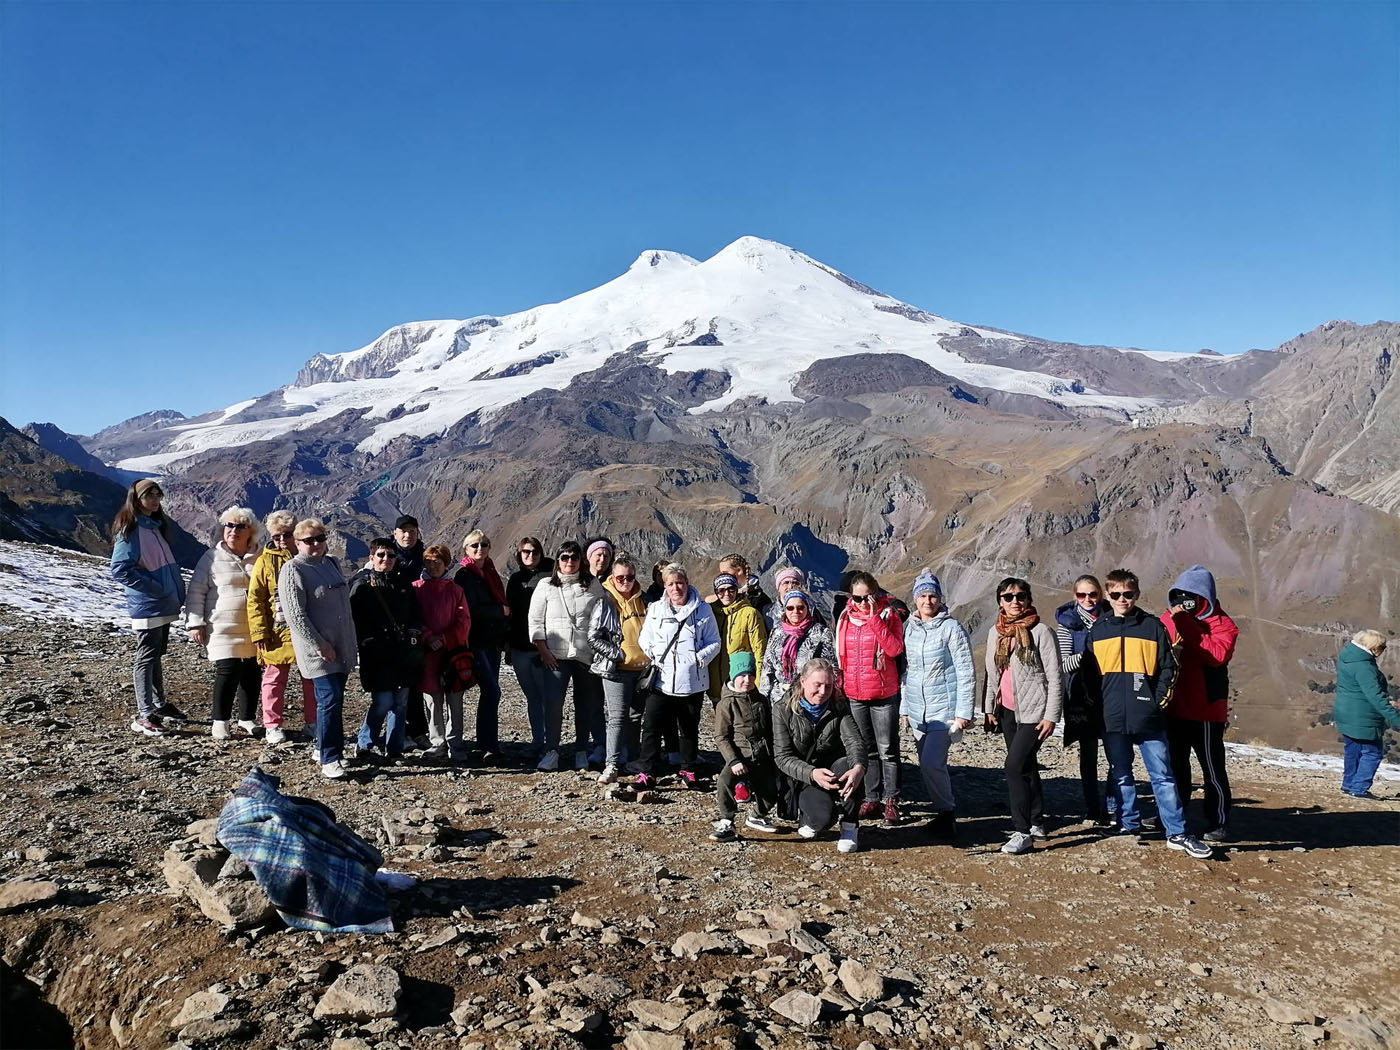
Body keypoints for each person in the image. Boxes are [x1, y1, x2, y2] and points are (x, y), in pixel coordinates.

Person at [1080, 569, 1214, 860]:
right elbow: (1089, 675)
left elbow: (1169, 668)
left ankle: (1176, 833)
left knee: (1163, 776)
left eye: (1128, 594)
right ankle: (1127, 826)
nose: (1122, 599)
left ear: (1136, 594)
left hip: (1149, 718)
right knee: (1121, 774)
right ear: (1108, 596)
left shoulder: (1153, 627)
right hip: (1113, 718)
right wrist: (1098, 707)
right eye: (1115, 595)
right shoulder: (1099, 629)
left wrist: (1158, 702)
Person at [979, 578, 1063, 855]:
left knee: (1013, 766)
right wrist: (989, 709)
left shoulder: (1041, 632)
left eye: (1021, 596)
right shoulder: (996, 633)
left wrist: (1051, 715)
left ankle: (1021, 830)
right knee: (1026, 765)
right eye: (1008, 597)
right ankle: (1037, 820)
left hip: (1034, 713)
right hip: (1008, 712)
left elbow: (1054, 676)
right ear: (1000, 601)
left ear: (1029, 599)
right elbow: (994, 673)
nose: (1015, 601)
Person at [1161, 566, 1240, 840]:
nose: (1184, 602)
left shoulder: (1223, 625)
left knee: (1212, 769)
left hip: (1206, 711)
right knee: (1175, 768)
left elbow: (1216, 655)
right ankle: (1173, 816)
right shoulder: (1170, 619)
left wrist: (1186, 625)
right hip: (1174, 707)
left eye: (1191, 596)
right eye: (1179, 596)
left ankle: (1218, 821)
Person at [279, 519, 357, 779]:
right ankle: (330, 757)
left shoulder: (332, 563)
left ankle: (322, 747)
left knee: (335, 699)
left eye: (320, 538)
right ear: (298, 543)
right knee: (329, 699)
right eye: (309, 540)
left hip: (341, 646)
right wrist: (319, 644)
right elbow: (296, 616)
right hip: (319, 651)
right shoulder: (293, 570)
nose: (316, 544)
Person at [899, 570, 974, 840]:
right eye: (922, 596)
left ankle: (947, 813)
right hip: (918, 711)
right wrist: (904, 709)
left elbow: (966, 670)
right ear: (915, 599)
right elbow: (906, 671)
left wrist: (964, 712)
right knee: (926, 763)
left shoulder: (952, 629)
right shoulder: (910, 629)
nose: (928, 601)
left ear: (940, 599)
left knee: (932, 763)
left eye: (932, 596)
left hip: (944, 711)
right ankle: (943, 814)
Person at [111, 479, 188, 737]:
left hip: (162, 603)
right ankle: (145, 714)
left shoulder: (154, 526)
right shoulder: (130, 529)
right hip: (149, 605)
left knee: (156, 653)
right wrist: (156, 589)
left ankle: (158, 703)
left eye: (157, 495)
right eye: (148, 495)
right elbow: (121, 569)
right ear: (136, 498)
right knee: (146, 656)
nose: (154, 500)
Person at [636, 563, 721, 789]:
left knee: (689, 727)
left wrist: (697, 658)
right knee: (652, 726)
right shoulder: (655, 609)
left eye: (680, 583)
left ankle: (688, 770)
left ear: (687, 584)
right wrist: (654, 653)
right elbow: (645, 638)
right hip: (661, 680)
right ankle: (647, 772)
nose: (676, 588)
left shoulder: (702, 610)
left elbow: (715, 641)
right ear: (665, 586)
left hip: (691, 681)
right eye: (671, 584)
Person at [772, 657, 867, 853]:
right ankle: (809, 816)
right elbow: (782, 757)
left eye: (829, 686)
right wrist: (812, 773)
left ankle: (850, 826)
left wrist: (859, 767)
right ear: (803, 681)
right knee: (822, 819)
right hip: (805, 775)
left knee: (853, 766)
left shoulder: (839, 705)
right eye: (817, 685)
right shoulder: (782, 709)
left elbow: (855, 741)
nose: (823, 692)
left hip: (834, 768)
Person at [527, 540, 606, 771]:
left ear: (581, 561)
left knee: (585, 705)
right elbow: (535, 620)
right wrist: (543, 651)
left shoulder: (592, 585)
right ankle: (552, 750)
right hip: (555, 656)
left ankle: (581, 750)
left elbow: (602, 617)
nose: (569, 562)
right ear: (558, 561)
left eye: (574, 557)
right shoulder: (545, 585)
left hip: (585, 656)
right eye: (564, 557)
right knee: (553, 704)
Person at [836, 571, 906, 828]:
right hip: (855, 693)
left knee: (888, 749)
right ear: (851, 597)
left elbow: (894, 649)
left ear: (877, 595)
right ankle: (872, 797)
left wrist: (875, 619)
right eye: (858, 597)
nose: (863, 603)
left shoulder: (889, 616)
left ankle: (892, 800)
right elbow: (841, 654)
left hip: (883, 692)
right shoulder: (845, 618)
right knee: (867, 749)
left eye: (869, 597)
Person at [186, 506, 262, 739]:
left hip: (254, 627)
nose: (233, 530)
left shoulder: (261, 557)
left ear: (251, 532)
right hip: (222, 627)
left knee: (252, 671)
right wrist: (195, 623)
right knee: (227, 670)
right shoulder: (210, 558)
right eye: (229, 525)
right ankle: (220, 721)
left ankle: (247, 718)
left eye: (240, 526)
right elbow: (196, 592)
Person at [350, 537, 423, 763]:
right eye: (381, 555)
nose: (386, 559)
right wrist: (367, 642)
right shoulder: (362, 586)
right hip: (377, 654)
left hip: (402, 653)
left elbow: (415, 615)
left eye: (391, 556)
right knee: (382, 702)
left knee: (400, 703)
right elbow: (356, 620)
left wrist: (413, 634)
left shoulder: (403, 585)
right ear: (371, 558)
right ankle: (364, 743)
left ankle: (394, 748)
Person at [1056, 574, 1116, 825]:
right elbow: (1064, 663)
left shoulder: (1113, 617)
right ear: (1074, 597)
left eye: (1092, 594)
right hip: (1081, 696)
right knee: (1088, 754)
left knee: (1117, 754)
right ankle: (1093, 807)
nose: (1088, 599)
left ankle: (1113, 807)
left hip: (1111, 694)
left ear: (1101, 595)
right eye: (1082, 595)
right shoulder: (1067, 623)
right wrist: (1090, 657)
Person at [588, 552, 651, 784]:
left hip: (643, 669)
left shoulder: (645, 600)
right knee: (616, 717)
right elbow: (593, 637)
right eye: (620, 578)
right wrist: (618, 654)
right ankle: (611, 764)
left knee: (635, 717)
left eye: (630, 577)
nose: (625, 581)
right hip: (616, 669)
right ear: (612, 578)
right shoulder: (605, 602)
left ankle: (633, 760)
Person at [710, 651, 781, 841]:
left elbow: (769, 729)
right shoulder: (726, 704)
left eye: (750, 675)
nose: (747, 680)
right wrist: (733, 760)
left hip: (762, 754)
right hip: (739, 756)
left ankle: (757, 816)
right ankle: (727, 821)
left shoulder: (761, 700)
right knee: (724, 782)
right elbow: (721, 736)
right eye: (742, 675)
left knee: (771, 791)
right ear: (734, 675)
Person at [414, 544, 472, 762]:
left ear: (446, 564)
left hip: (452, 654)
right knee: (432, 700)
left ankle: (456, 744)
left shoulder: (456, 591)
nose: (433, 566)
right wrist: (427, 636)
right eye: (428, 562)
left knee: (454, 700)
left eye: (437, 562)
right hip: (427, 653)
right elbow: (412, 619)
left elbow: (464, 620)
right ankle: (437, 742)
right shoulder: (416, 588)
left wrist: (445, 639)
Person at [455, 530, 510, 758]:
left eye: (484, 544)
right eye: (475, 545)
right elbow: (470, 610)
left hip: (492, 641)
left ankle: (487, 743)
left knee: (490, 693)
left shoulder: (489, 572)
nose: (480, 549)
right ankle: (488, 744)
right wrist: (500, 611)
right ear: (466, 549)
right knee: (492, 690)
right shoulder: (465, 575)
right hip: (475, 641)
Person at [1333, 629, 1398, 799]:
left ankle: (1348, 785)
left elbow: (1359, 690)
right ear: (1374, 648)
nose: (1383, 650)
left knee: (1353, 750)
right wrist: (1396, 720)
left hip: (1345, 711)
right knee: (1372, 752)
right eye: (1382, 647)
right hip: (1362, 717)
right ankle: (1359, 788)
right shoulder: (1364, 667)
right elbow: (1375, 697)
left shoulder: (1348, 656)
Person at [506, 538, 554, 754]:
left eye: (535, 552)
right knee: (532, 697)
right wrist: (507, 645)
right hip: (518, 647)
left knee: (547, 696)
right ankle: (538, 740)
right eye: (526, 552)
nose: (530, 555)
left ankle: (551, 742)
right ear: (519, 554)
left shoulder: (550, 576)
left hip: (543, 647)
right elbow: (510, 614)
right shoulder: (515, 580)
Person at [759, 586, 837, 705]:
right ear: (785, 609)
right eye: (790, 608)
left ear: (807, 608)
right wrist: (764, 697)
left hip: (808, 699)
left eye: (800, 607)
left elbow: (831, 667)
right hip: (778, 700)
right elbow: (767, 667)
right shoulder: (776, 632)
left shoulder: (821, 633)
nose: (795, 611)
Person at [707, 571, 769, 703]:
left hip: (742, 688)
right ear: (716, 593)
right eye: (721, 590)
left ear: (737, 590)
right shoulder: (710, 614)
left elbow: (760, 652)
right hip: (715, 689)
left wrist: (757, 685)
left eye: (731, 589)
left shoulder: (750, 614)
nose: (727, 594)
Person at [389, 515, 425, 587]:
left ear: (417, 533)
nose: (408, 535)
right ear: (395, 534)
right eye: (403, 531)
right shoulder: (384, 556)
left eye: (412, 531)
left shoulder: (426, 557)